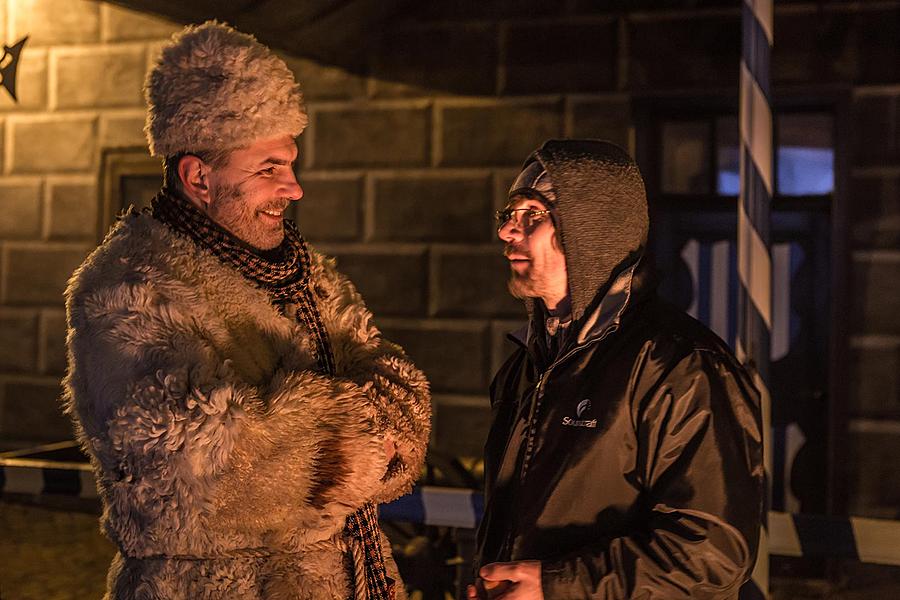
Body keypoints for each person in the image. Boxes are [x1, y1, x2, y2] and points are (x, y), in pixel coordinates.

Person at [62, 21, 430, 599]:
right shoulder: (131, 288)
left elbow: (403, 394)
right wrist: (358, 439)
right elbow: (199, 478)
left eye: (290, 164)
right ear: (198, 177)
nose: (294, 188)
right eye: (268, 169)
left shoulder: (312, 276)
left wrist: (302, 429)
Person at [469, 139, 764, 599]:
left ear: (588, 228)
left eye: (532, 214)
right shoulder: (527, 366)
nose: (508, 231)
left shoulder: (681, 366)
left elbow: (715, 551)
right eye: (508, 214)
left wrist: (557, 586)